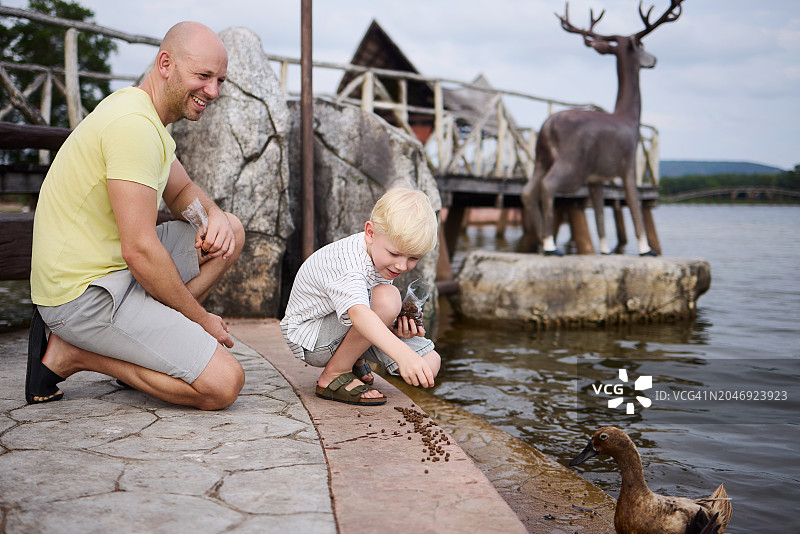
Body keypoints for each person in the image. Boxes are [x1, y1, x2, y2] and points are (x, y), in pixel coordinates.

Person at [26, 21, 246, 410]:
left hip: (114, 270)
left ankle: (147, 340)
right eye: (203, 76)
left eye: (219, 81)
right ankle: (75, 354)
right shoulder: (134, 127)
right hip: (81, 294)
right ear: (165, 64)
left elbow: (181, 191)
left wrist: (212, 215)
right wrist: (199, 319)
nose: (212, 91)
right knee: (223, 384)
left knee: (231, 230)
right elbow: (140, 250)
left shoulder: (145, 117)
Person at [280, 187, 441, 405]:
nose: (402, 265)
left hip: (343, 327)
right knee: (388, 298)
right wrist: (403, 354)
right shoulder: (350, 262)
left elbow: (369, 313)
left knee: (430, 362)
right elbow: (359, 313)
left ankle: (353, 358)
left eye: (413, 257)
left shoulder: (380, 253)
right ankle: (334, 374)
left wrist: (396, 330)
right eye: (394, 254)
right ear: (370, 233)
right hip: (312, 338)